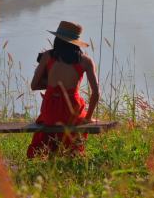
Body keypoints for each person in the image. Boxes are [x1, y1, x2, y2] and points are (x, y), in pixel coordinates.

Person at [26, 21, 99, 158]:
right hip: (72, 113)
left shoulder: (47, 56)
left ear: (57, 39)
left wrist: (53, 85)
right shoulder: (86, 61)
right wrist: (88, 118)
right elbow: (96, 93)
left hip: (50, 113)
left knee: (45, 125)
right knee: (77, 122)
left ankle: (46, 155)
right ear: (76, 42)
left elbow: (34, 85)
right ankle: (70, 155)